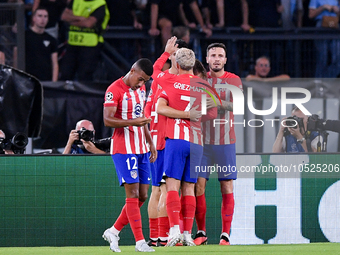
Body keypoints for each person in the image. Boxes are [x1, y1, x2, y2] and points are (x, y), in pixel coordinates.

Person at [155, 37, 217, 247]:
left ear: (178, 64)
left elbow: (154, 76)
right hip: (197, 143)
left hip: (176, 139)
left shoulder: (169, 81)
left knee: (172, 185)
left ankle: (174, 232)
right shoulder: (204, 85)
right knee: (189, 187)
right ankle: (188, 234)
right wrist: (196, 116)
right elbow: (214, 112)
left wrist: (166, 53)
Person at [102, 58, 157, 252]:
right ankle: (140, 241)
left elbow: (141, 117)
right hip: (123, 149)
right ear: (132, 70)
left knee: (142, 195)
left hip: (141, 147)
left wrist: (150, 142)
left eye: (145, 81)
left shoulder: (141, 90)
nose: (142, 84)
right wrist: (133, 122)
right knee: (132, 194)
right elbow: (107, 120)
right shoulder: (114, 90)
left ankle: (114, 231)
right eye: (140, 79)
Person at [193, 42, 243, 246]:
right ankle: (201, 232)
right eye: (212, 55)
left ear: (225, 60)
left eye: (220, 55)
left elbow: (239, 105)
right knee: (198, 186)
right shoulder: (198, 79)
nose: (216, 59)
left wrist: (217, 103)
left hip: (225, 142)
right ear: (206, 59)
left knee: (226, 186)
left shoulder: (233, 79)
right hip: (202, 144)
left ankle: (225, 235)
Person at [144, 39, 189, 247]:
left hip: (154, 135)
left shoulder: (160, 79)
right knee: (166, 188)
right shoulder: (169, 79)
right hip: (164, 137)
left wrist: (165, 53)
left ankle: (156, 237)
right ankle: (165, 235)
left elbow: (154, 70)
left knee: (157, 188)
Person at [59, 0, 110, 81]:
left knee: (85, 75)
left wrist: (71, 21)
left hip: (90, 45)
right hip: (73, 44)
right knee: (65, 73)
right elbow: (64, 16)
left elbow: (88, 23)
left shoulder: (99, 3)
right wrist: (80, 18)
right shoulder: (76, 1)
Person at [25, 7, 58, 81]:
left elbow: (55, 63)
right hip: (28, 79)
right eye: (40, 16)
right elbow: (16, 57)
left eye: (45, 16)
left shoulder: (51, 39)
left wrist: (54, 83)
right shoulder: (24, 37)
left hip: (46, 80)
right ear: (34, 18)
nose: (43, 19)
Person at [309, 0, 340, 78]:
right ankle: (319, 84)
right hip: (321, 25)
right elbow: (311, 15)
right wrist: (323, 8)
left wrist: (337, 10)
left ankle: (327, 81)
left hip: (335, 26)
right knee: (322, 58)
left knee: (338, 58)